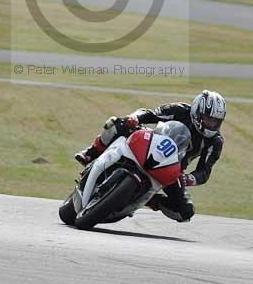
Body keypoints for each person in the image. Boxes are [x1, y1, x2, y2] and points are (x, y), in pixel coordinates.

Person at [74, 90, 226, 223]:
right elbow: (151, 113)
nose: (211, 124)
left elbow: (204, 171)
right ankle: (91, 152)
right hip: (151, 144)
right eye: (208, 119)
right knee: (116, 123)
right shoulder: (180, 110)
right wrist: (135, 118)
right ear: (197, 112)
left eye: (215, 121)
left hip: (172, 169)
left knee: (185, 212)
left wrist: (189, 179)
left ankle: (151, 200)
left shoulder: (215, 141)